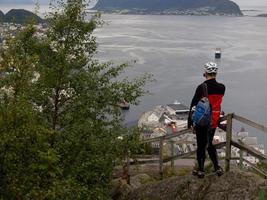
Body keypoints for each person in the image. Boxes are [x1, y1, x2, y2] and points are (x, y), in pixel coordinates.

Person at [188, 62, 225, 178]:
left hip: (202, 120)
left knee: (201, 145)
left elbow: (193, 105)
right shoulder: (222, 88)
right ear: (216, 73)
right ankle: (217, 167)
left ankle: (201, 170)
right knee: (209, 144)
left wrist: (190, 122)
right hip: (214, 120)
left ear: (205, 73)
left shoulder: (202, 87)